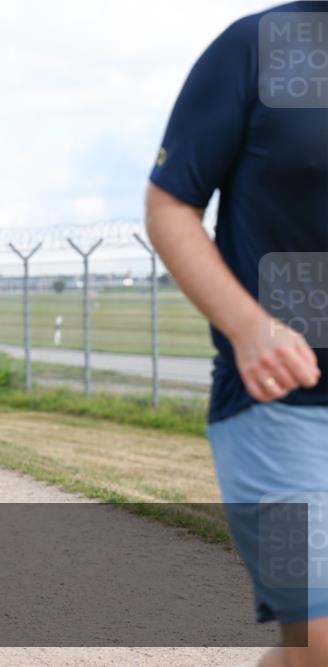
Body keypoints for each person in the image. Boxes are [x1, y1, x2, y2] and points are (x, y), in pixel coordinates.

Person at [145, 4, 327, 665]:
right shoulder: (258, 45)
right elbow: (170, 203)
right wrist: (249, 326)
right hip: (280, 408)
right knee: (317, 638)